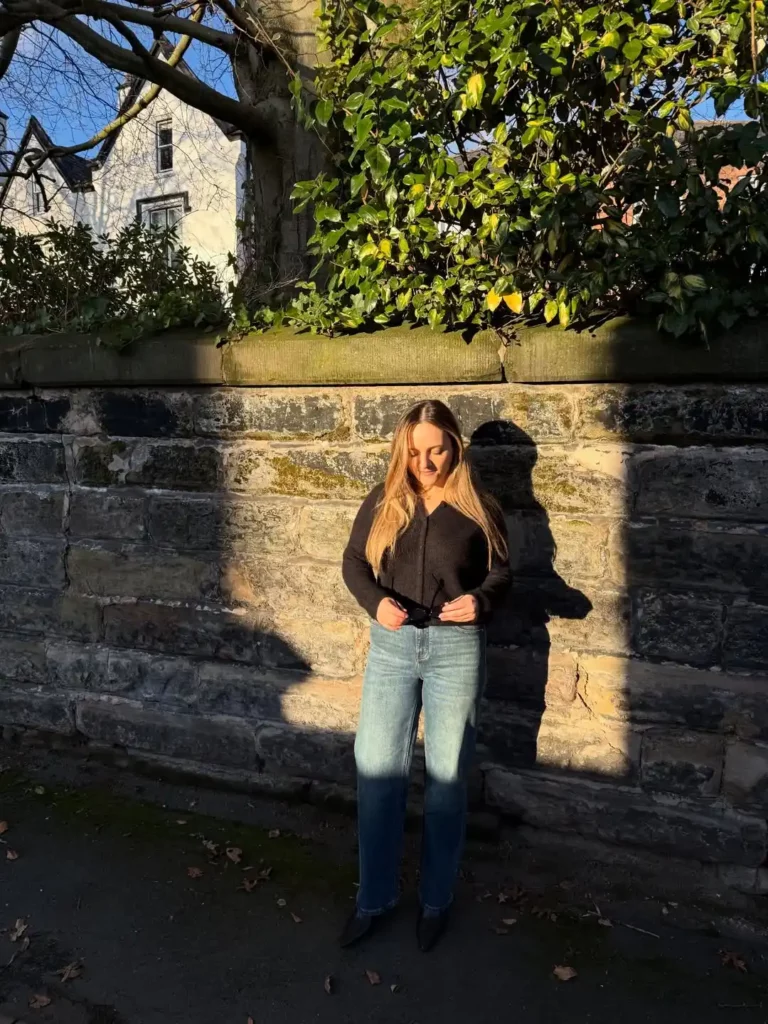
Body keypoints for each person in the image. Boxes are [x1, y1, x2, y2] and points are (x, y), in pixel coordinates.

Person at [340, 399, 511, 952]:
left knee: (445, 784)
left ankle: (435, 901)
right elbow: (353, 563)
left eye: (436, 450)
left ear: (454, 446)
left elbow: (502, 573)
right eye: (415, 452)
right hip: (392, 647)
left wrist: (481, 602)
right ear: (402, 450)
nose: (426, 462)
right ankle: (376, 897)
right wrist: (375, 604)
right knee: (377, 774)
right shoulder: (386, 498)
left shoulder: (480, 507)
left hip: (456, 651)